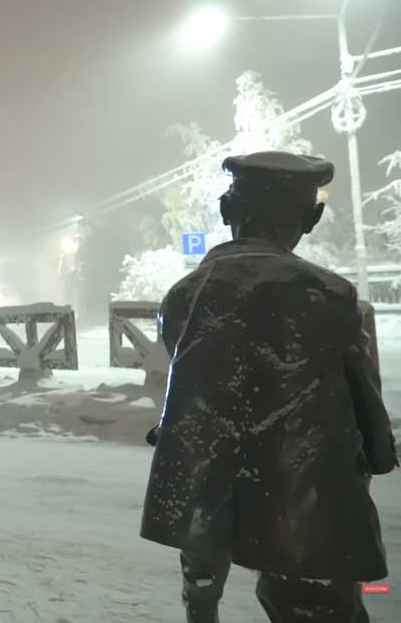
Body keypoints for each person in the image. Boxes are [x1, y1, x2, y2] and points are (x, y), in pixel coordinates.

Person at [141, 151, 397, 623]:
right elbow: (363, 389)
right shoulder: (330, 294)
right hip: (309, 496)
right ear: (312, 218)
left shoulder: (182, 296)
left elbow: (192, 380)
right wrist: (380, 452)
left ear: (226, 212)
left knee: (205, 565)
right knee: (314, 605)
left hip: (211, 492)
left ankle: (201, 599)